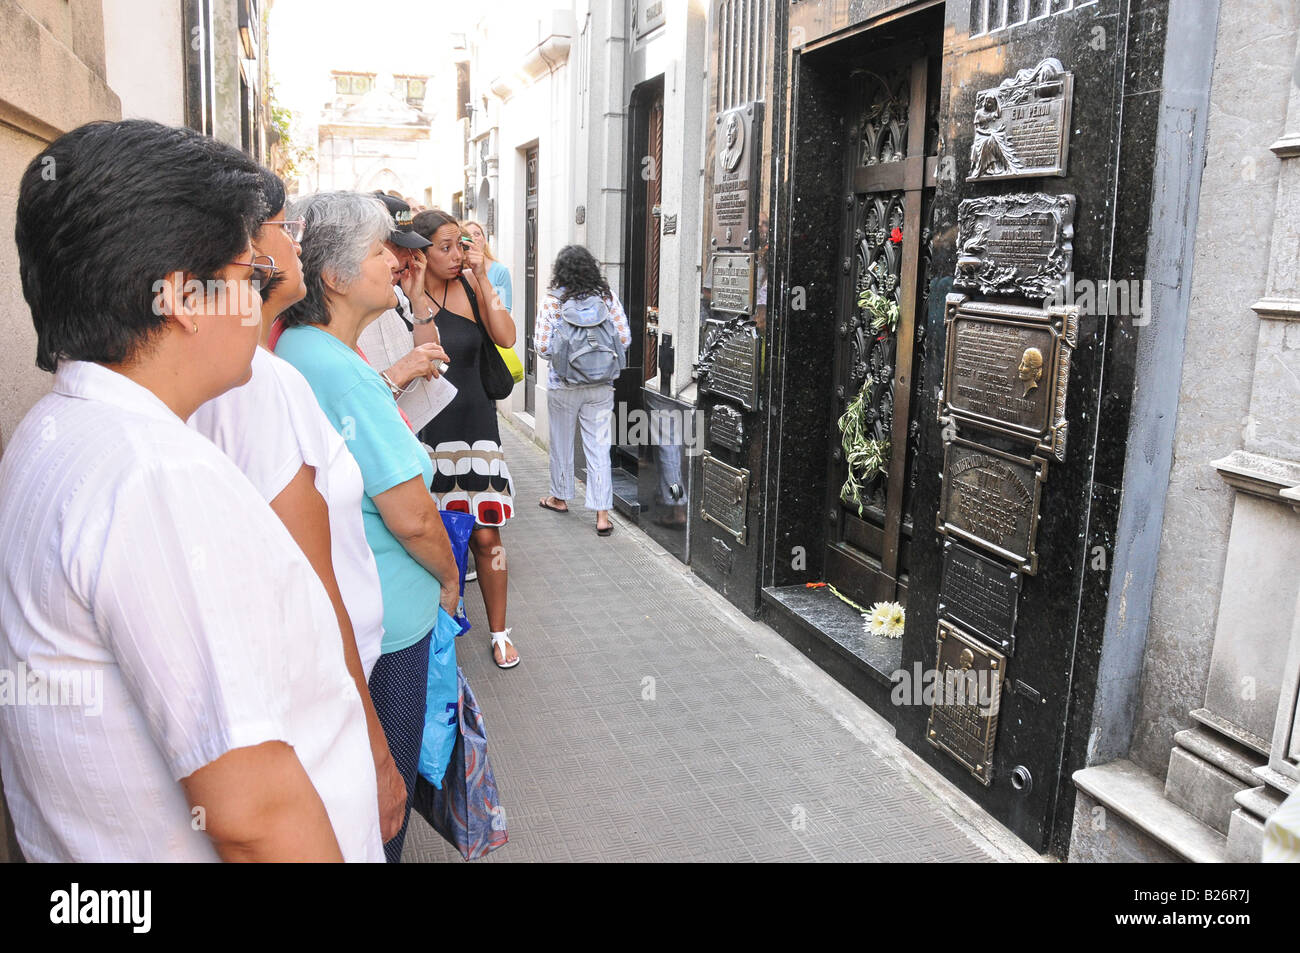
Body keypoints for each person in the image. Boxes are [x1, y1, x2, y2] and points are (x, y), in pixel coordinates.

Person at [0, 119, 382, 862]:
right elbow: (255, 814)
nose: (264, 296)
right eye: (250, 276)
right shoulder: (157, 477)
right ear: (178, 295)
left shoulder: (55, 434)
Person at [190, 169, 421, 845]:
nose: (295, 244)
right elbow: (320, 572)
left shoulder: (272, 364)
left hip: (354, 661)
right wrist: (375, 750)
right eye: (281, 229)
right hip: (342, 679)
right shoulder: (257, 381)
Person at [274, 190, 461, 862]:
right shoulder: (336, 371)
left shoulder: (303, 349)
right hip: (388, 627)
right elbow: (411, 516)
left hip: (359, 621)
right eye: (379, 250)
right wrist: (449, 576)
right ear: (333, 275)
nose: (395, 261)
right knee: (384, 804)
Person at [411, 209, 519, 669]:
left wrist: (483, 281)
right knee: (434, 538)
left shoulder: (473, 287)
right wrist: (417, 296)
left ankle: (500, 632)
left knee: (487, 537)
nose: (457, 255)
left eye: (461, 245)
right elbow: (424, 362)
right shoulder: (402, 296)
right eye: (445, 247)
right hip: (429, 432)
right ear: (422, 251)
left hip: (477, 430)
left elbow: (508, 336)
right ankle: (441, 629)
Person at [535, 244, 632, 537]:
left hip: (563, 384)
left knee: (562, 443)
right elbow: (624, 338)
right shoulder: (607, 298)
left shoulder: (552, 301)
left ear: (560, 271)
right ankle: (602, 515)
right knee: (599, 447)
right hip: (601, 385)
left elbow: (541, 346)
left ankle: (560, 498)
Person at [463, 220, 512, 316]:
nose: (473, 238)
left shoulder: (500, 271)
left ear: (485, 240)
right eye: (468, 235)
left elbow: (505, 310)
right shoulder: (457, 269)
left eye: (477, 234)